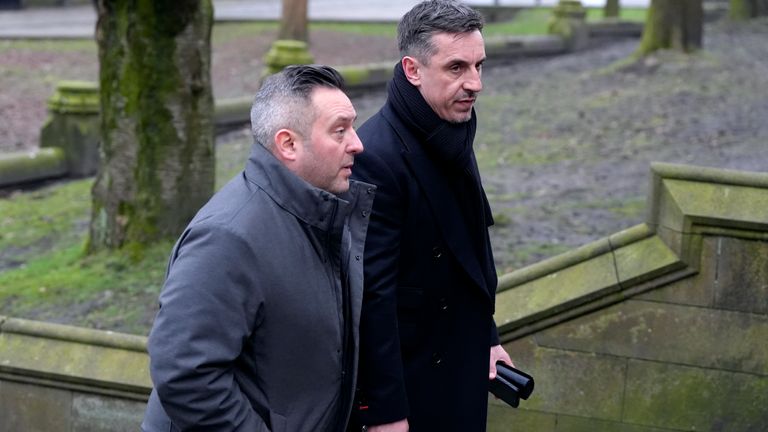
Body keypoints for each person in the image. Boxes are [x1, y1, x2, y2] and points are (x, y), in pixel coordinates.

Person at [141, 65, 374, 432]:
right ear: (288, 144)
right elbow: (184, 373)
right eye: (339, 130)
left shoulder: (325, 212)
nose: (357, 143)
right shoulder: (226, 237)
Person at [349, 1, 513, 431]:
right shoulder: (374, 157)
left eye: (479, 65)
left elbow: (469, 248)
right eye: (456, 67)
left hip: (461, 359)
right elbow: (371, 299)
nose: (475, 83)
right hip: (413, 384)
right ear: (413, 69)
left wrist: (487, 338)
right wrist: (385, 414)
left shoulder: (450, 124)